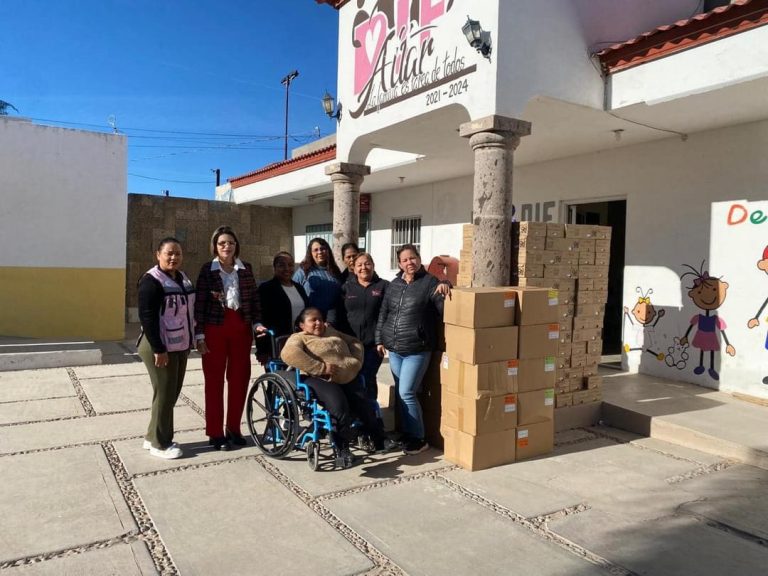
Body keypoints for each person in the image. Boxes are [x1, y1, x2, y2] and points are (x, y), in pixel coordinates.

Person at [280, 307, 391, 466]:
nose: (318, 322)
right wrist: (320, 367)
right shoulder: (299, 338)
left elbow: (354, 342)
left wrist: (356, 361)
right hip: (317, 378)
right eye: (313, 320)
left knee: (364, 403)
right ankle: (341, 449)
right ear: (302, 325)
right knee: (339, 406)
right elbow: (289, 354)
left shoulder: (331, 331)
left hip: (345, 376)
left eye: (320, 318)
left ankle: (379, 439)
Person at [195, 226, 267, 451]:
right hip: (214, 328)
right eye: (222, 243)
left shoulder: (246, 269)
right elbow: (200, 303)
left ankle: (233, 428)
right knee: (214, 381)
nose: (227, 247)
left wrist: (256, 322)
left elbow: (254, 299)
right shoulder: (208, 269)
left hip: (241, 328)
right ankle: (215, 432)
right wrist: (199, 334)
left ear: (237, 246)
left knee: (239, 379)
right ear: (215, 246)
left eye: (231, 243)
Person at [376, 244, 451, 455]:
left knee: (406, 392)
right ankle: (407, 433)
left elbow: (443, 311)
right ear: (399, 264)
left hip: (417, 348)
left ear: (419, 259)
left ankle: (419, 438)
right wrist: (380, 339)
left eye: (413, 258)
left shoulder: (430, 283)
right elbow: (384, 313)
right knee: (404, 393)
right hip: (395, 349)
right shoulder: (394, 284)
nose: (410, 263)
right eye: (405, 260)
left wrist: (446, 284)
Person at [137, 237, 195, 460]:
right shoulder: (151, 281)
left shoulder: (182, 278)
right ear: (158, 255)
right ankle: (161, 443)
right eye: (169, 253)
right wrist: (158, 349)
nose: (174, 257)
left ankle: (152, 435)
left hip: (179, 344)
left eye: (178, 253)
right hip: (158, 346)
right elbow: (148, 317)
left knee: (168, 394)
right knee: (165, 393)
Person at [338, 252, 388, 416]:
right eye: (359, 265)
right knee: (352, 380)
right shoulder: (346, 287)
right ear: (353, 268)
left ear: (373, 265)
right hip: (350, 345)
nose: (363, 267)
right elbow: (338, 313)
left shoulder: (384, 286)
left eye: (367, 263)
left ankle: (371, 418)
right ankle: (357, 416)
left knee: (367, 378)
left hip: (373, 345)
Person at [256, 251, 309, 361]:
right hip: (278, 344)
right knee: (281, 377)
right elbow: (260, 319)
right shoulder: (266, 289)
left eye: (290, 265)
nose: (286, 269)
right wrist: (262, 350)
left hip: (301, 342)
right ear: (274, 267)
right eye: (281, 265)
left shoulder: (299, 288)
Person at [292, 238, 342, 324]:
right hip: (311, 322)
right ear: (310, 253)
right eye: (316, 250)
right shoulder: (304, 271)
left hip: (333, 321)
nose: (320, 252)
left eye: (323, 249)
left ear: (328, 251)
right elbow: (294, 293)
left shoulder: (335, 270)